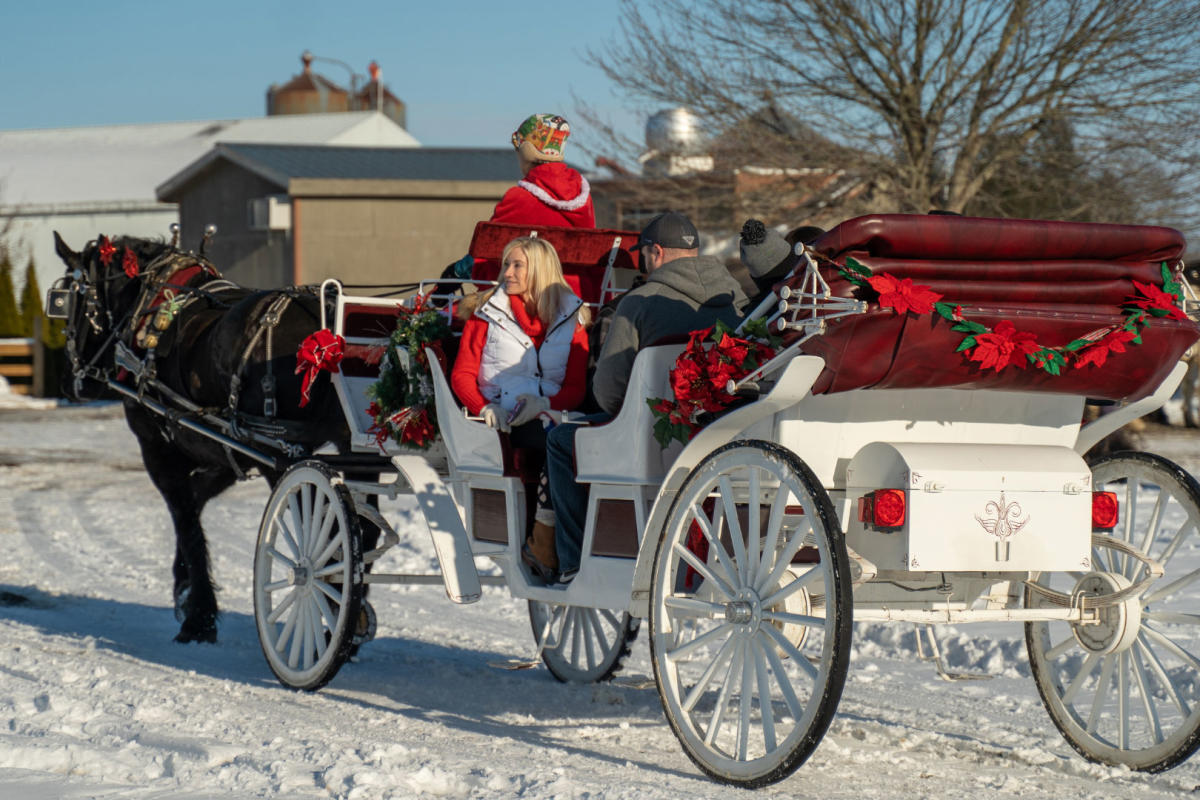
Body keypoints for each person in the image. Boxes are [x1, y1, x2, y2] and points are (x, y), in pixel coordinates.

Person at [545, 211, 749, 582]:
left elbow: (608, 393)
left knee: (560, 441)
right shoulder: (738, 299)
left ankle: (572, 562)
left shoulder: (638, 302)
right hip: (724, 431)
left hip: (650, 440)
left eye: (643, 255)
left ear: (654, 252)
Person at [450, 236, 591, 582]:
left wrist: (546, 404)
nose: (506, 273)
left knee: (572, 441)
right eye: (505, 265)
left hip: (549, 414)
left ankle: (563, 538)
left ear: (540, 272)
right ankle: (545, 541)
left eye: (516, 266)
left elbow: (575, 388)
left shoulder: (574, 317)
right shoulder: (486, 314)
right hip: (503, 416)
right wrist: (485, 408)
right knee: (556, 445)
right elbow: (462, 375)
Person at [442, 113, 595, 285]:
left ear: (528, 150)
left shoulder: (520, 197)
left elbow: (486, 251)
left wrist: (455, 272)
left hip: (531, 296)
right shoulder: (583, 196)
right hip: (578, 295)